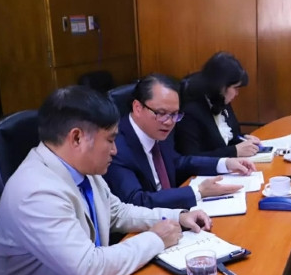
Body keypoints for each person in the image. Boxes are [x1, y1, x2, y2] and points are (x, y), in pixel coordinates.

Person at [0, 86, 211, 275]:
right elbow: (87, 269)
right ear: (77, 138)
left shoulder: (81, 168)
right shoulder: (35, 191)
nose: (115, 150)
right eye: (110, 139)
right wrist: (156, 239)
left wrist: (178, 217)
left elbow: (117, 212)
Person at [104, 74, 257, 210]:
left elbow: (178, 162)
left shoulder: (160, 128)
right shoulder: (116, 146)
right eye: (161, 113)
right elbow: (136, 201)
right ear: (137, 107)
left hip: (174, 215)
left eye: (175, 114)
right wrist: (197, 192)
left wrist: (224, 163)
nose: (169, 122)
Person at [175, 52, 261, 158]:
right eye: (235, 88)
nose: (237, 93)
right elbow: (191, 159)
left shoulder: (222, 100)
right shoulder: (190, 112)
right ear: (220, 86)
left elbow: (229, 138)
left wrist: (244, 140)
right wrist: (233, 152)